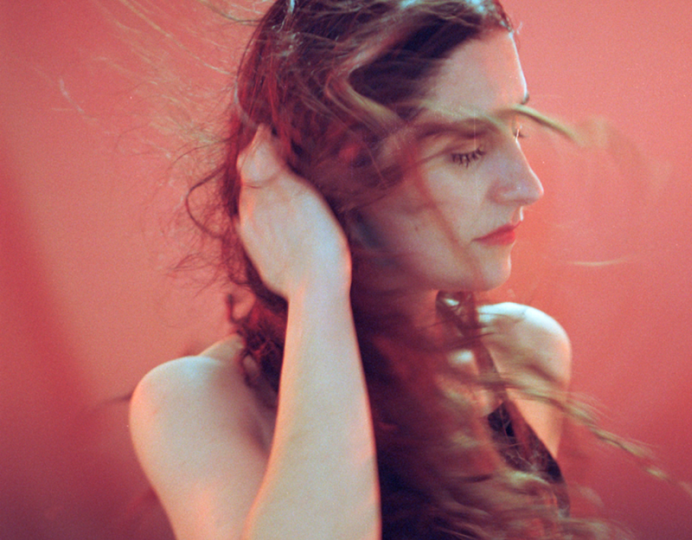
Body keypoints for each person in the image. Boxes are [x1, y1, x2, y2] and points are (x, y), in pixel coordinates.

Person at [129, 1, 590, 538]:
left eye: (518, 129)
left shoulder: (525, 351)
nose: (528, 186)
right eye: (466, 150)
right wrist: (317, 283)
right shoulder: (197, 404)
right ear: (335, 171)